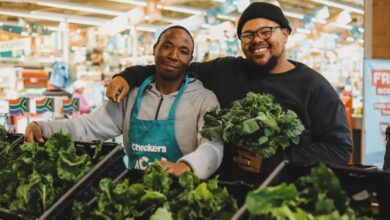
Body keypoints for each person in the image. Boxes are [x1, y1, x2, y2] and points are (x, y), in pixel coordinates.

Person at [105, 2, 353, 185]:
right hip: (223, 194)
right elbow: (173, 66)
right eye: (248, 35)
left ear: (285, 34)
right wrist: (129, 76)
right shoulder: (225, 70)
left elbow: (339, 151)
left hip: (284, 197)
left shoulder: (314, 87)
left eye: (266, 31)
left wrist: (277, 161)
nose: (257, 40)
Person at [25, 26, 223, 180]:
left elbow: (213, 145)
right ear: (155, 49)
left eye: (183, 51)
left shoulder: (204, 99)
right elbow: (88, 127)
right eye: (167, 46)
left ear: (190, 59)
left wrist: (188, 167)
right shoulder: (132, 95)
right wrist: (44, 128)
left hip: (181, 195)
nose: (173, 56)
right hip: (133, 194)